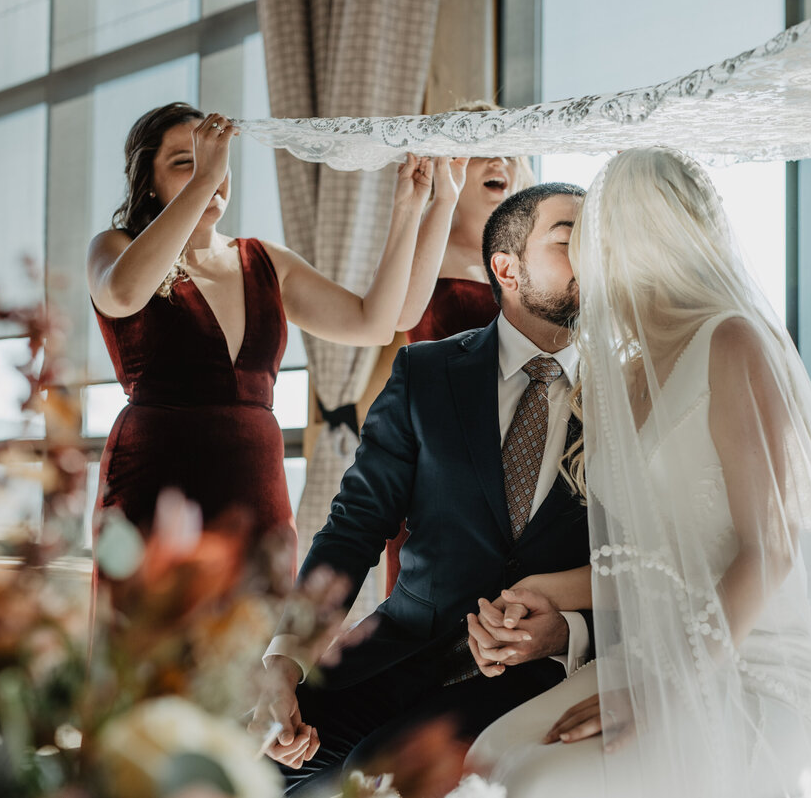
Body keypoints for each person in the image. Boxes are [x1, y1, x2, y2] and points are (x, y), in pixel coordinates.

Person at [466, 148, 811, 797]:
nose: (589, 250)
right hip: (650, 654)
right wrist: (543, 589)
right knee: (487, 758)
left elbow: (769, 550)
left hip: (756, 666)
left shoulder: (733, 340)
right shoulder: (621, 371)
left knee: (537, 783)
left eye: (598, 228)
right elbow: (655, 560)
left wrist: (665, 690)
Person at [248, 183, 596, 795]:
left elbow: (650, 557)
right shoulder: (426, 373)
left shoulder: (631, 392)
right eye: (570, 241)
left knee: (364, 784)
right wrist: (282, 659)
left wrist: (571, 631)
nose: (594, 256)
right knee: (243, 768)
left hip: (530, 674)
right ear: (506, 268)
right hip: (392, 652)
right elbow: (354, 527)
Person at [87, 102, 432, 596]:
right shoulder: (115, 246)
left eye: (214, 159)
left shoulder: (264, 261)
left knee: (252, 642)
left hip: (256, 481)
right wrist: (205, 178)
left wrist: (409, 207)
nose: (209, 171)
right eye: (184, 161)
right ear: (148, 181)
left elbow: (373, 322)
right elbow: (121, 295)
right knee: (152, 649)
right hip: (156, 479)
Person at [384, 100, 535, 596]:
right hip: (437, 459)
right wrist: (438, 201)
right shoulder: (432, 247)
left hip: (526, 450)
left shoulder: (538, 261)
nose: (501, 163)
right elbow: (401, 313)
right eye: (483, 149)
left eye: (509, 150)